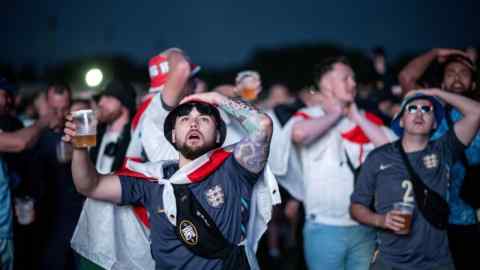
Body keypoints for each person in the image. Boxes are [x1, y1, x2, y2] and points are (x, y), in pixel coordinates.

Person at [64, 92, 273, 269]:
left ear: (218, 135)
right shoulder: (152, 179)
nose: (193, 122)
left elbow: (262, 125)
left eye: (204, 119)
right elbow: (89, 185)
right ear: (173, 136)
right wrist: (79, 149)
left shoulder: (234, 168)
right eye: (184, 119)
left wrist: (215, 98)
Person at [274, 56, 395, 270]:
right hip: (324, 227)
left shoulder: (366, 119)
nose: (353, 83)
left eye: (354, 78)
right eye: (346, 78)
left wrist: (357, 117)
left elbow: (391, 149)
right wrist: (337, 114)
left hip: (365, 226)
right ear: (327, 85)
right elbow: (300, 134)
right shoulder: (309, 116)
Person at [350, 89, 480, 270]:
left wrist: (434, 92)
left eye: (427, 109)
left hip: (436, 263)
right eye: (412, 108)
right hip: (390, 263)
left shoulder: (443, 150)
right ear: (401, 120)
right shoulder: (378, 157)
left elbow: (476, 112)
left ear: (434, 123)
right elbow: (356, 207)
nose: (419, 113)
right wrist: (380, 220)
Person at [399, 49, 479, 269]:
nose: (456, 76)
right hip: (431, 220)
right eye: (451, 72)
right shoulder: (429, 110)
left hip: (470, 219)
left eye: (464, 73)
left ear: (473, 83)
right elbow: (407, 78)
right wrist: (435, 53)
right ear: (441, 83)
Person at [0, 77, 55, 270]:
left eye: (10, 95)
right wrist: (44, 120)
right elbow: (19, 143)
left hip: (6, 226)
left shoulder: (10, 123)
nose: (9, 101)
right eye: (4, 94)